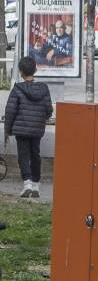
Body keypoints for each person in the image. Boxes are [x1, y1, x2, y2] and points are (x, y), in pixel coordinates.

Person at [4, 55, 54, 198]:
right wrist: (40, 119)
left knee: (23, 156)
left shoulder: (17, 89)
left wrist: (8, 130)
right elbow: (49, 110)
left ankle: (27, 183)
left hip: (21, 129)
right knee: (35, 155)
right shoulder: (44, 89)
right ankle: (36, 186)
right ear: (35, 70)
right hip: (37, 129)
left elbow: (10, 111)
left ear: (21, 71)